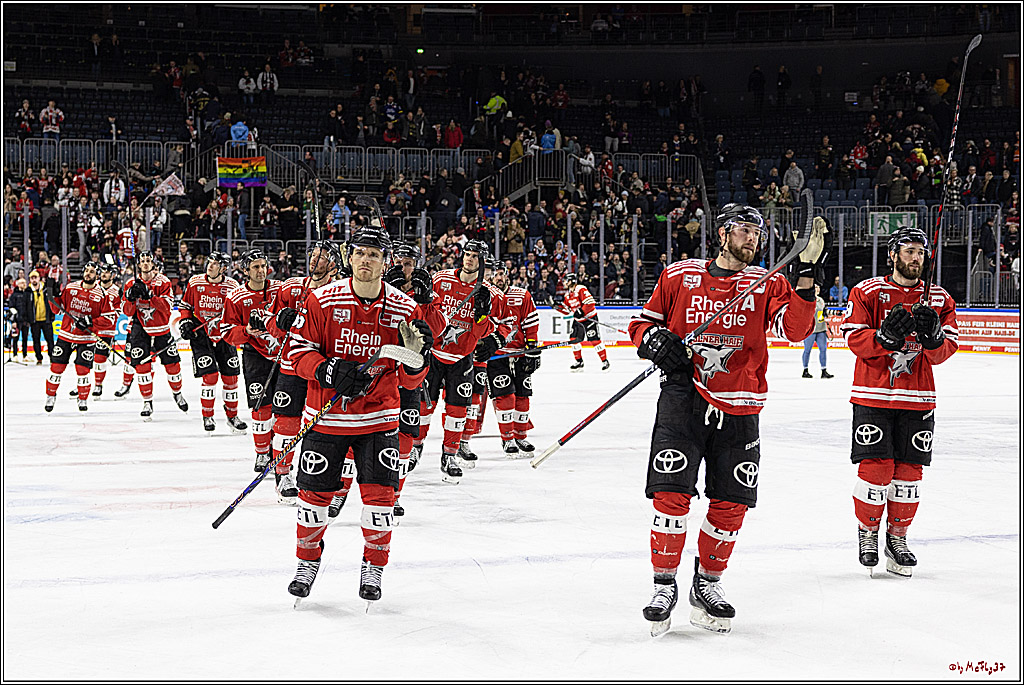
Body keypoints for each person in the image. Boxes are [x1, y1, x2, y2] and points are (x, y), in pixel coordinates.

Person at [627, 203, 823, 635]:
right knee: (671, 496)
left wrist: (805, 277)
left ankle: (707, 583)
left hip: (741, 403)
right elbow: (642, 324)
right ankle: (664, 585)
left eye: (757, 231)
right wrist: (655, 342)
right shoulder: (679, 276)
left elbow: (795, 330)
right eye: (743, 229)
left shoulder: (767, 282)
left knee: (732, 502)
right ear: (722, 234)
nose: (752, 237)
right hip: (684, 398)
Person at [283, 226, 434, 604]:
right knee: (313, 502)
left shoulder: (404, 308)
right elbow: (296, 354)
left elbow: (411, 379)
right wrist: (326, 370)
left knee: (381, 502)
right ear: (350, 258)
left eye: (374, 254)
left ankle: (373, 569)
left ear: (386, 262)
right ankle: (306, 564)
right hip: (326, 419)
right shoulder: (322, 300)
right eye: (360, 253)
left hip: (379, 419)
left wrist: (418, 359)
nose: (366, 260)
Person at [840, 226, 959, 577]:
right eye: (908, 251)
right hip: (873, 395)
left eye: (920, 253)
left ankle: (898, 538)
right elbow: (852, 336)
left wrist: (935, 336)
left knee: (909, 474)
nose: (915, 258)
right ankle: (867, 533)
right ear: (892, 255)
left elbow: (945, 351)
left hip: (918, 398)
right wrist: (884, 336)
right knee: (876, 470)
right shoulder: (868, 291)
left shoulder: (939, 298)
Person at [416, 240, 511, 482]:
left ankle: (449, 454)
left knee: (458, 410)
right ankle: (415, 445)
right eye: (466, 254)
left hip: (462, 359)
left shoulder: (491, 293)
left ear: (483, 261)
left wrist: (495, 340)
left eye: (474, 256)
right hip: (434, 355)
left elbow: (507, 324)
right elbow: (422, 309)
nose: (468, 259)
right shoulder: (441, 279)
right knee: (424, 407)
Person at [265, 241, 346, 505]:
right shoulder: (289, 287)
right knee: (286, 425)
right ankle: (283, 475)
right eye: (313, 255)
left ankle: (322, 482)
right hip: (291, 367)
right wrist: (278, 321)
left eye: (322, 257)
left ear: (333, 264)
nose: (315, 260)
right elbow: (267, 319)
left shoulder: (338, 292)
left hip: (323, 372)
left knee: (322, 430)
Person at [381, 243, 445, 517]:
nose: (404, 266)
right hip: (379, 372)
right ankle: (341, 492)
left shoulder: (423, 291)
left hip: (410, 374)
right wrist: (387, 290)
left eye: (409, 262)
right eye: (400, 261)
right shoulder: (377, 287)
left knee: (405, 437)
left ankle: (394, 495)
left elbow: (438, 330)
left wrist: (426, 300)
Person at [222, 249, 284, 473]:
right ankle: (261, 453)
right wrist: (246, 330)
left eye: (263, 266)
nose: (261, 271)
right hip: (255, 356)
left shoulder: (280, 289)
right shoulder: (236, 297)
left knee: (283, 409)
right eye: (255, 267)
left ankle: (278, 453)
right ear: (245, 270)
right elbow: (227, 331)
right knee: (260, 407)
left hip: (282, 355)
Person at [178, 251, 247, 436]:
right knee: (210, 377)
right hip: (202, 335)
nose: (210, 265)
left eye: (215, 263)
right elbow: (185, 306)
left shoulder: (233, 286)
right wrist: (185, 321)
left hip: (225, 336)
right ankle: (207, 415)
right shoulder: (195, 282)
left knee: (231, 379)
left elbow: (240, 310)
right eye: (210, 261)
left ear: (224, 268)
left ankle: (232, 416)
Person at [484, 259, 541, 457]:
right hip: (496, 356)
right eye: (495, 274)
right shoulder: (487, 296)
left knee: (523, 396)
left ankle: (521, 436)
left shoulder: (522, 295)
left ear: (507, 274)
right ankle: (507, 438)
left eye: (501, 274)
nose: (498, 278)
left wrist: (532, 346)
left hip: (519, 355)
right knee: (505, 397)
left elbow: (530, 321)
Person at [122, 252, 188, 419]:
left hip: (161, 329)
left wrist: (150, 296)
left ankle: (177, 393)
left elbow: (167, 306)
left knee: (173, 367)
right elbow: (127, 311)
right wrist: (130, 298)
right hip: (140, 330)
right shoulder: (130, 283)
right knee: (142, 368)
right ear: (138, 265)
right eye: (142, 261)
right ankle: (147, 401)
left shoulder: (163, 281)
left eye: (148, 261)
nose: (145, 263)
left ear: (153, 264)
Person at [43, 262, 114, 413]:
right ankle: (50, 396)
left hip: (86, 339)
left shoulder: (102, 294)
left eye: (92, 271)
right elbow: (57, 309)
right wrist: (52, 295)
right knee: (56, 368)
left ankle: (82, 398)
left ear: (97, 275)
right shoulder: (70, 288)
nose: (88, 273)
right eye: (87, 271)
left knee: (83, 370)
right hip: (66, 335)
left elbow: (109, 319)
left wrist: (91, 322)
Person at [560, 272, 609, 372]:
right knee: (573, 339)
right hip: (578, 321)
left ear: (571, 281)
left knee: (594, 340)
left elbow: (590, 303)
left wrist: (582, 311)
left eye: (566, 280)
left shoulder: (580, 289)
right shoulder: (567, 295)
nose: (564, 282)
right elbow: (567, 311)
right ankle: (579, 362)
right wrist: (556, 307)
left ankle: (605, 361)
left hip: (589, 318)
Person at [802, 284, 833, 379]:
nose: (817, 289)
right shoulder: (807, 300)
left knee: (823, 349)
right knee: (807, 350)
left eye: (818, 287)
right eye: (815, 287)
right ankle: (805, 370)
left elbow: (821, 313)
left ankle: (824, 370)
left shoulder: (821, 300)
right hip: (810, 330)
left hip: (821, 329)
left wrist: (829, 313)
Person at [26, 269, 56, 364]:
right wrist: (28, 319)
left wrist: (52, 315)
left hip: (46, 320)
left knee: (50, 340)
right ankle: (39, 358)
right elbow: (25, 306)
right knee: (36, 340)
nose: (34, 280)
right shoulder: (28, 291)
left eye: (36, 277)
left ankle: (52, 357)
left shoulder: (46, 289)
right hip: (34, 321)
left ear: (39, 278)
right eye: (32, 278)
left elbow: (52, 302)